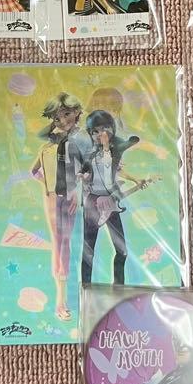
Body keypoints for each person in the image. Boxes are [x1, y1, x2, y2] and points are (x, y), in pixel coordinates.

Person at [31, 93, 88, 322]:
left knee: (66, 242)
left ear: (76, 112)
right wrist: (48, 185)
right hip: (54, 197)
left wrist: (76, 190)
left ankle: (66, 298)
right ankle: (60, 301)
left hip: (70, 196)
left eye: (66, 114)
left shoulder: (79, 142)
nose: (63, 120)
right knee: (60, 242)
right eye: (57, 117)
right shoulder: (47, 148)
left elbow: (84, 170)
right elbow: (33, 171)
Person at [79, 110, 145, 286]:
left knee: (122, 250)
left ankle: (118, 286)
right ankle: (85, 286)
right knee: (88, 250)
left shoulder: (115, 152)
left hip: (111, 202)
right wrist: (83, 177)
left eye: (104, 129)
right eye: (95, 131)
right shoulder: (90, 154)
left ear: (112, 129)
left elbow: (115, 169)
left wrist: (136, 180)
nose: (100, 134)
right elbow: (86, 171)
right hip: (93, 203)